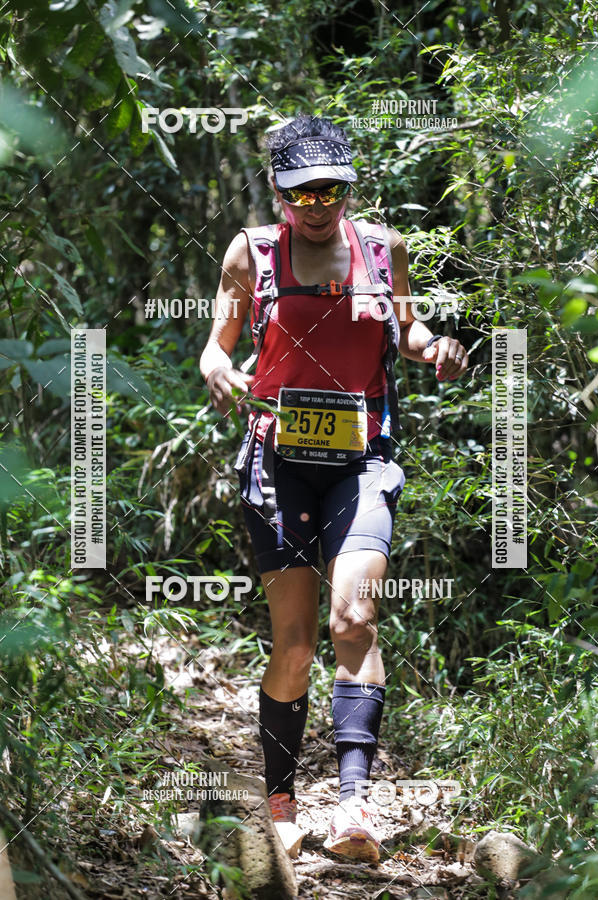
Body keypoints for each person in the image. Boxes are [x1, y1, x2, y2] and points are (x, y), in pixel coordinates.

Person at [200, 115, 468, 863]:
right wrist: (220, 371)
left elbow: (406, 333)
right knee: (294, 645)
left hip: (363, 458)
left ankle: (355, 804)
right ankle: (281, 802)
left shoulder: (383, 249)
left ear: (349, 187)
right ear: (278, 194)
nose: (316, 206)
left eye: (330, 191)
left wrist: (436, 347)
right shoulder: (252, 252)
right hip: (278, 461)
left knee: (354, 618)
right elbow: (215, 347)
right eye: (301, 194)